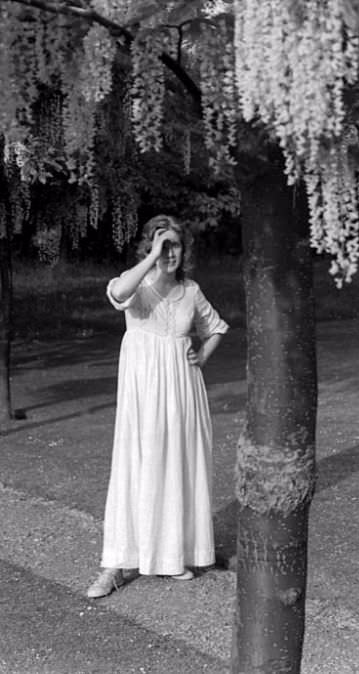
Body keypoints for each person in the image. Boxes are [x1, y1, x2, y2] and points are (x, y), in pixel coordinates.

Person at [86, 214, 229, 599]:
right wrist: (153, 256)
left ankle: (172, 555)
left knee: (178, 463)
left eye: (175, 246)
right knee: (137, 463)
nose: (169, 254)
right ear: (148, 247)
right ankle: (114, 565)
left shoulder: (191, 290)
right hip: (144, 391)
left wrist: (202, 354)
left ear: (185, 251)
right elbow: (117, 294)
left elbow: (216, 327)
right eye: (162, 245)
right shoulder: (138, 283)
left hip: (184, 389)